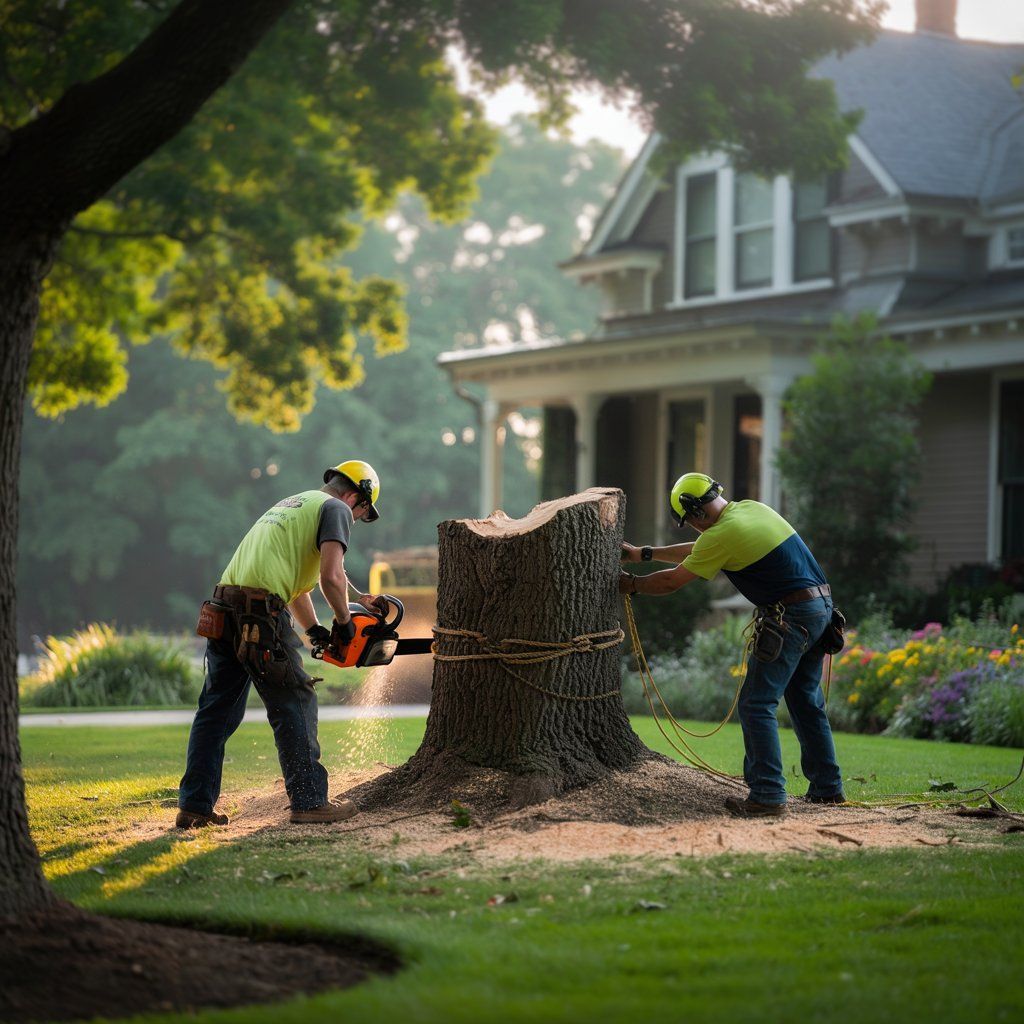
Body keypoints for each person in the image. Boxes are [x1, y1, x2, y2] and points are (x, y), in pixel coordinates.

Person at [620, 472, 844, 818]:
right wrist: (644, 554)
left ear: (695, 514)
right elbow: (703, 548)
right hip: (821, 609)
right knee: (804, 700)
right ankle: (828, 789)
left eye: (688, 522)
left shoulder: (721, 534)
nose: (692, 528)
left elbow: (671, 583)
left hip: (792, 616)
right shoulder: (749, 510)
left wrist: (628, 585)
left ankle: (768, 795)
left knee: (756, 704)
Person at [176, 459, 385, 828]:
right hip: (259, 615)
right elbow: (331, 578)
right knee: (295, 699)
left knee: (217, 711)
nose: (354, 522)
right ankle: (309, 801)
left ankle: (194, 805)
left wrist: (314, 630)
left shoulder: (294, 504)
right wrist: (343, 622)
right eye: (360, 513)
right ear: (355, 496)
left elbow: (295, 587)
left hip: (224, 607)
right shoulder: (336, 509)